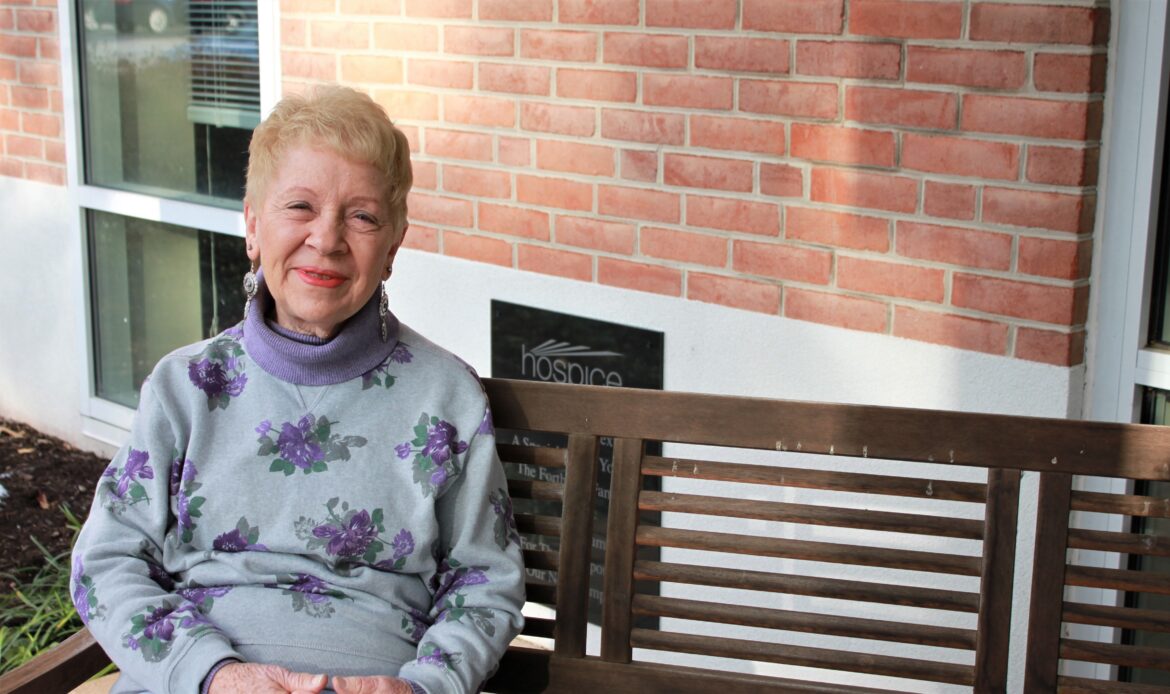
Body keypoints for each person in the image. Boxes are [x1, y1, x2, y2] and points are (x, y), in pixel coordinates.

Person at [70, 85, 526, 694]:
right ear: (253, 226)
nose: (328, 239)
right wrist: (212, 676)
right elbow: (105, 562)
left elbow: (485, 580)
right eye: (300, 207)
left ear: (392, 246)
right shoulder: (185, 389)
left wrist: (423, 688)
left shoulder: (447, 397)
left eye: (361, 216)